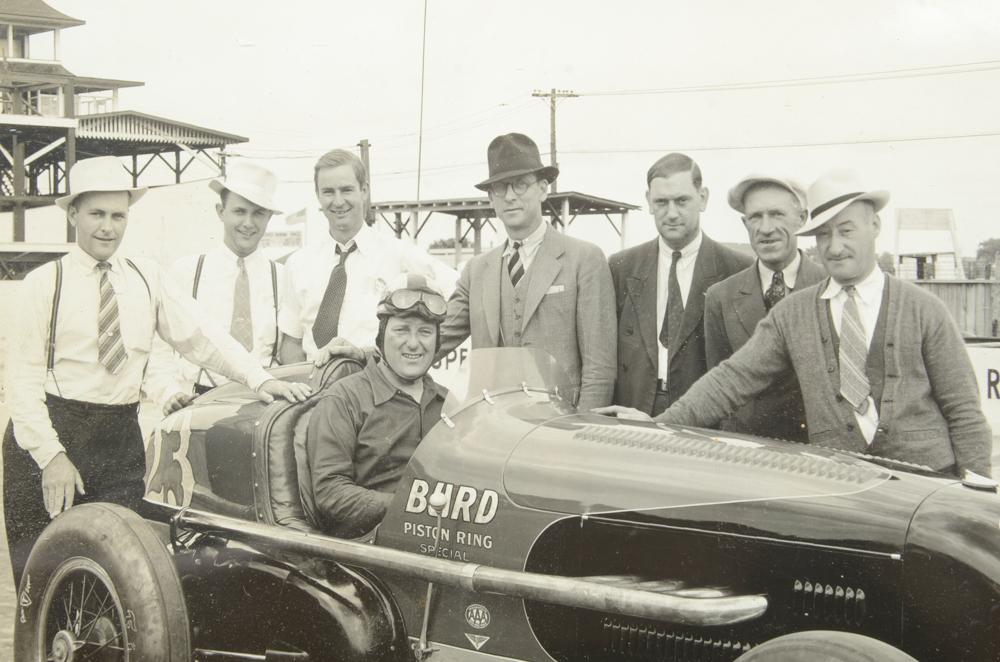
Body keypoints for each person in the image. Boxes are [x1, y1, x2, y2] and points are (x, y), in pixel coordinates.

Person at [3, 156, 311, 585]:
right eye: (96, 214)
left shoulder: (147, 278)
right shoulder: (43, 283)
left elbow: (204, 337)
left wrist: (260, 378)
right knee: (42, 583)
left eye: (118, 216)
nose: (107, 227)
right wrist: (51, 457)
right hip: (50, 437)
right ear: (72, 214)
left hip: (118, 440)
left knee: (121, 583)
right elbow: (21, 384)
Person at [596, 170, 992, 478]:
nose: (835, 246)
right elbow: (730, 380)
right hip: (842, 483)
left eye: (847, 231)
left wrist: (977, 492)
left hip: (928, 483)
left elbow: (964, 412)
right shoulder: (793, 313)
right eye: (824, 235)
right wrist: (657, 426)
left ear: (874, 227)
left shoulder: (925, 309)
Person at [437, 133, 617, 411]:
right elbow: (433, 338)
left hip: (561, 426)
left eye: (520, 184)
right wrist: (372, 356)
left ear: (543, 189)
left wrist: (581, 429)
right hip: (492, 424)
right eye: (499, 188)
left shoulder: (584, 259)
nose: (510, 196)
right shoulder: (476, 270)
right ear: (491, 197)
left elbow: (599, 370)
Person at [278, 149, 456, 367]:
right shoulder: (298, 264)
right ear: (318, 195)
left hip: (376, 382)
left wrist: (424, 348)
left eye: (346, 190)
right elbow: (292, 342)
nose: (338, 201)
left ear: (364, 191)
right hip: (317, 383)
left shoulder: (400, 255)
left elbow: (460, 294)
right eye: (328, 192)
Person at [303, 273, 448, 539]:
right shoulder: (345, 399)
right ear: (381, 336)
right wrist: (412, 507)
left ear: (437, 341)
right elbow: (330, 492)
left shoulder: (448, 403)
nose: (413, 343)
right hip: (370, 547)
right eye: (401, 330)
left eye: (425, 332)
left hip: (442, 537)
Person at [608, 153, 753, 416]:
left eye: (682, 200)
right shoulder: (621, 267)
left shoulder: (737, 269)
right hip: (633, 413)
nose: (672, 213)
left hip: (702, 418)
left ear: (703, 198)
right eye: (661, 202)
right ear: (649, 202)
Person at [146, 162, 284, 414]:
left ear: (269, 217)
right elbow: (159, 347)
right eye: (239, 211)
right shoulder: (187, 271)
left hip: (264, 406)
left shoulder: (283, 277)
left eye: (258, 213)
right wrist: (167, 392)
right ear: (221, 211)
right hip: (199, 403)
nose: (248, 223)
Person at [703, 174, 826, 441]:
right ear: (745, 223)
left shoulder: (830, 287)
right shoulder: (721, 297)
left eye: (777, 214)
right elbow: (717, 390)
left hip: (815, 451)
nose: (766, 228)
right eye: (755, 216)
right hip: (745, 450)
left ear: (802, 219)